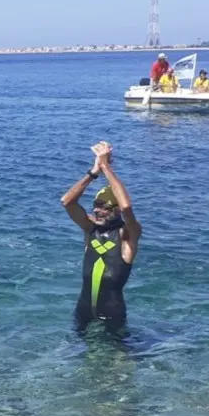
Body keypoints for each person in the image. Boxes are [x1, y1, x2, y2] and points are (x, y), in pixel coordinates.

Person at [60, 141, 142, 329]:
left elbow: (127, 207)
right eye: (96, 205)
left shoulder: (127, 235)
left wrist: (106, 167)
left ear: (116, 210)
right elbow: (67, 202)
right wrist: (94, 172)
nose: (97, 211)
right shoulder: (90, 229)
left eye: (104, 207)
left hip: (112, 316)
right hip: (83, 312)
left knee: (116, 358)